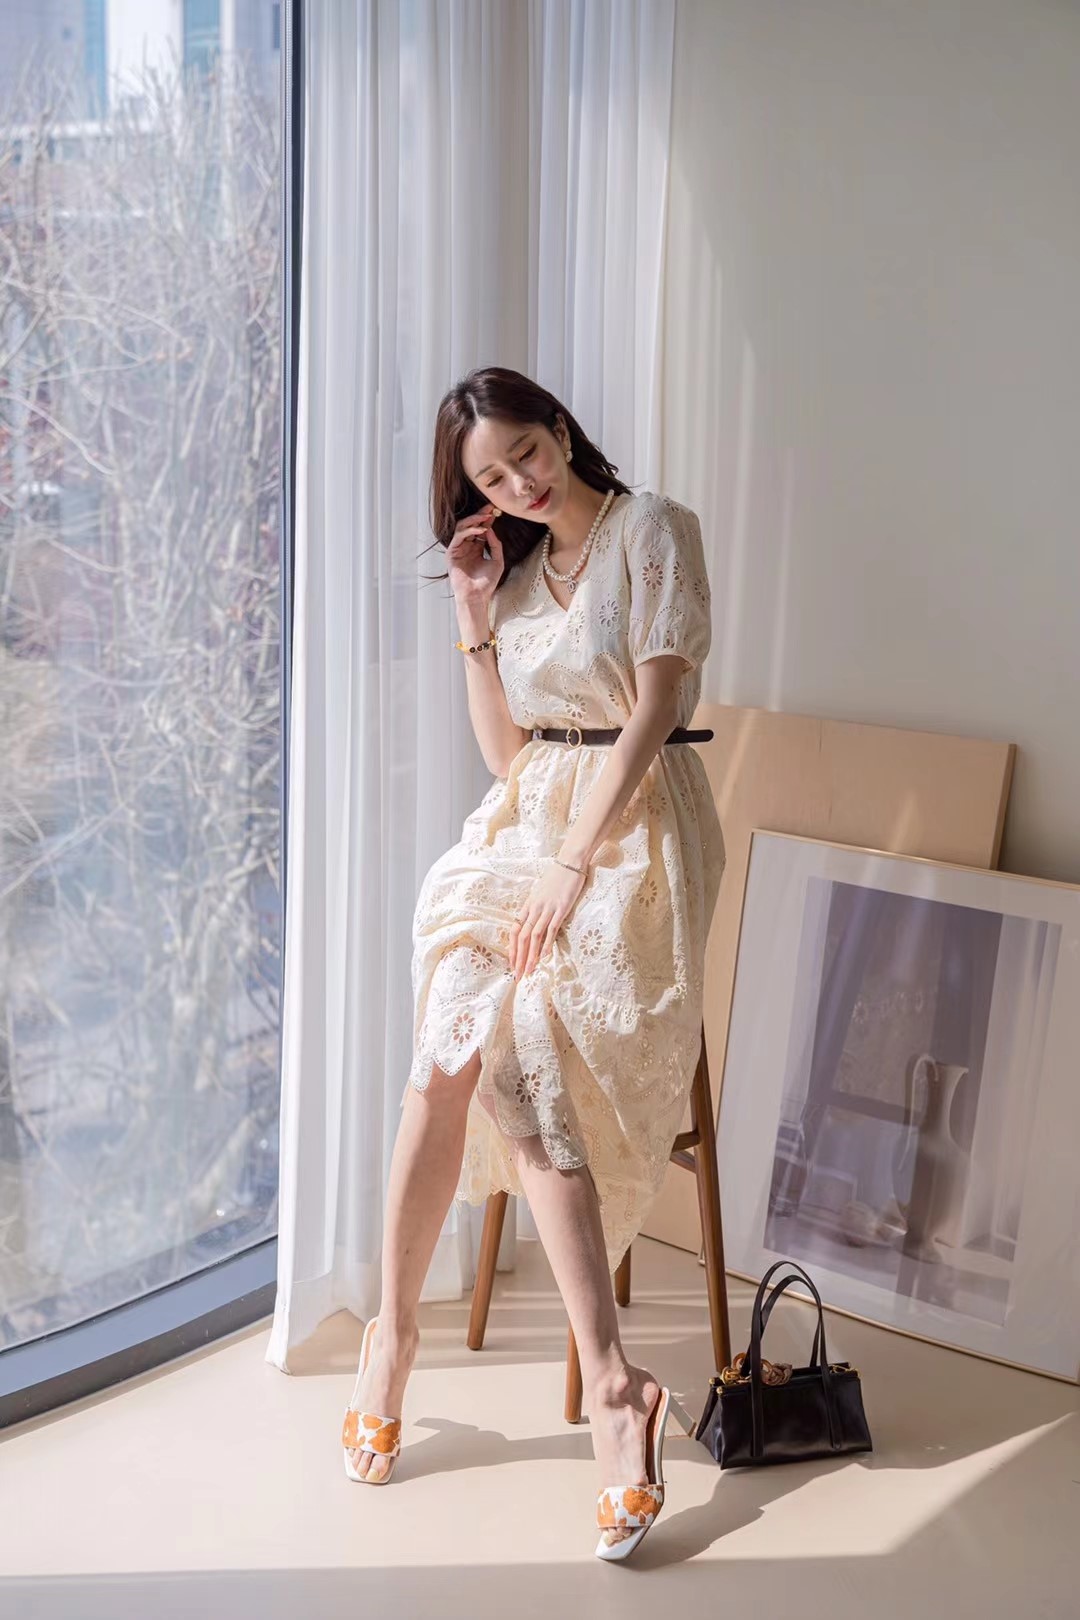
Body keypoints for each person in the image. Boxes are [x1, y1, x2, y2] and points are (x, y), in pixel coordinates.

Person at [342, 365, 726, 1559]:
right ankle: (392, 1334)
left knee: (528, 1052)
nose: (519, 483)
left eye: (526, 452)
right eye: (492, 477)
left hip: (634, 834)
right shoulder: (509, 576)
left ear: (559, 428)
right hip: (526, 824)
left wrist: (573, 864)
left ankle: (614, 1387)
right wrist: (471, 613)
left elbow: (653, 712)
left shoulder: (652, 531)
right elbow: (510, 755)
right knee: (447, 1046)